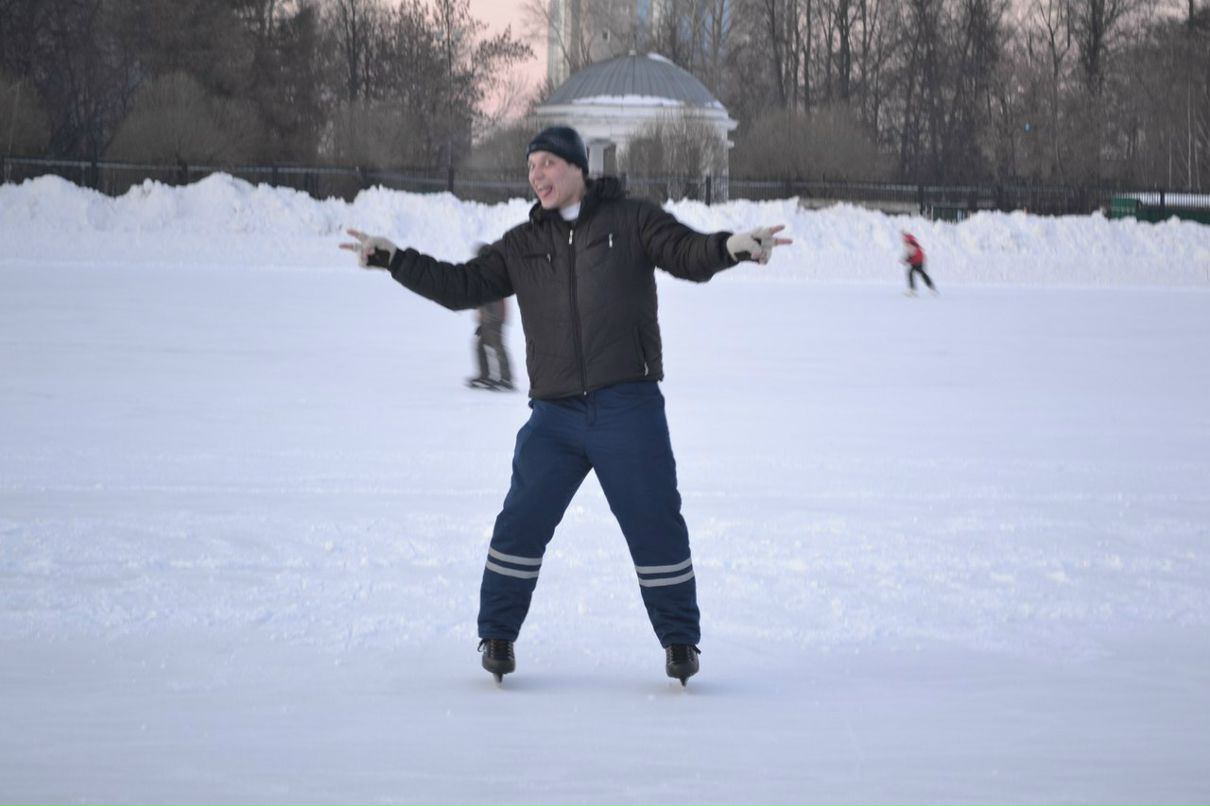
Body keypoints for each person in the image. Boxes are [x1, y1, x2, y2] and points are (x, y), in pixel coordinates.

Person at [341, 125, 790, 686]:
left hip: (628, 404)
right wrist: (394, 260)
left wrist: (730, 248)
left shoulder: (631, 220)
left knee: (656, 525)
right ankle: (497, 635)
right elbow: (461, 286)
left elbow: (686, 252)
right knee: (520, 524)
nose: (538, 176)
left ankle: (679, 641)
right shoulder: (522, 245)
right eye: (532, 168)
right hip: (554, 415)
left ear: (578, 168)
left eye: (548, 164)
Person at [468, 297, 514, 391]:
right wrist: (482, 323)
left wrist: (492, 321)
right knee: (480, 347)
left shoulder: (493, 286)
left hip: (494, 320)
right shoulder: (484, 287)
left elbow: (496, 305)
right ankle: (485, 377)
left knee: (498, 348)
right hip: (487, 320)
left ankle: (506, 380)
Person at [901, 231, 937, 296]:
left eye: (903, 239)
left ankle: (913, 290)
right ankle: (931, 287)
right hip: (919, 260)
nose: (903, 241)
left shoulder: (910, 244)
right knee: (920, 273)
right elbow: (911, 254)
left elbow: (910, 255)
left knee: (914, 273)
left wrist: (905, 260)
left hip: (917, 261)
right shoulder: (911, 242)